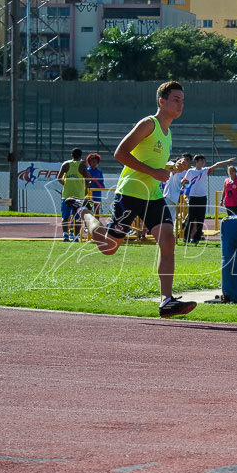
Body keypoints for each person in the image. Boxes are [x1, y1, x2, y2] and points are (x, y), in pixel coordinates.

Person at [73, 81, 196, 318]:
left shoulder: (167, 133)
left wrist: (172, 166)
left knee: (168, 240)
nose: (181, 104)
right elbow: (120, 153)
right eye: (176, 100)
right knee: (109, 248)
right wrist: (154, 172)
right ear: (162, 101)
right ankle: (85, 212)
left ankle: (166, 300)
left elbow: (156, 165)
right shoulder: (148, 124)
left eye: (182, 100)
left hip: (153, 195)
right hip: (130, 192)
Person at [181, 153, 235, 244]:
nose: (203, 162)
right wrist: (184, 188)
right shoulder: (190, 171)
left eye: (204, 161)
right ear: (196, 162)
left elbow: (216, 164)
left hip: (202, 197)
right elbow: (184, 181)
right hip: (193, 197)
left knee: (200, 219)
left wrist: (227, 161)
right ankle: (186, 238)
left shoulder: (205, 170)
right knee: (191, 218)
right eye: (201, 160)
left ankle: (196, 239)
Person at [57, 147, 89, 242]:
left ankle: (65, 235)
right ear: (80, 156)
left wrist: (65, 184)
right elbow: (87, 179)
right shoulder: (82, 165)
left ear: (72, 155)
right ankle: (76, 236)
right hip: (78, 195)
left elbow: (59, 178)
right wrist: (86, 190)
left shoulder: (66, 164)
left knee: (65, 217)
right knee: (78, 217)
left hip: (67, 194)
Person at [162, 153, 190, 227]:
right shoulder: (175, 169)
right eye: (183, 160)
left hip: (179, 198)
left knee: (177, 217)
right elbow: (169, 165)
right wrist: (176, 165)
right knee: (168, 217)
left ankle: (181, 229)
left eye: (187, 160)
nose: (184, 162)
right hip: (169, 196)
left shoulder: (189, 172)